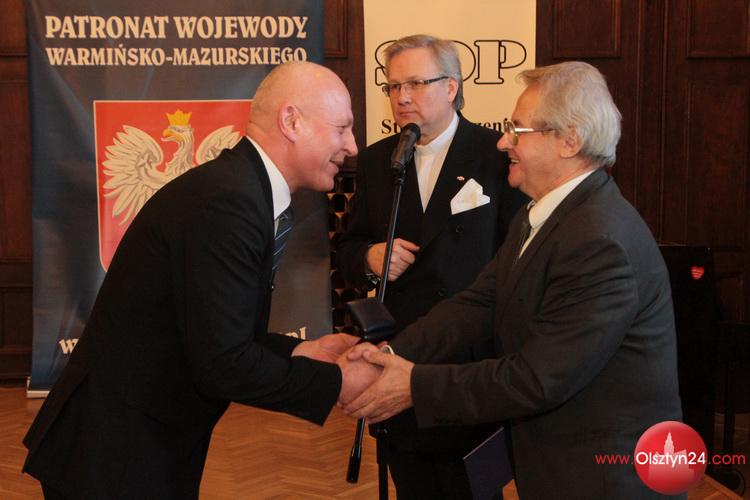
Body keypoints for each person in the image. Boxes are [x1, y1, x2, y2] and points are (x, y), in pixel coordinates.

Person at [23, 61, 380, 500]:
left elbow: (215, 334)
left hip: (137, 444)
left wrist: (302, 351)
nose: (353, 146)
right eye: (342, 128)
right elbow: (223, 364)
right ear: (291, 122)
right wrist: (338, 383)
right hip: (112, 454)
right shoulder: (228, 203)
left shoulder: (238, 189)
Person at [343, 61, 684, 499]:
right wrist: (389, 353)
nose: (504, 142)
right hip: (557, 465)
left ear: (569, 140)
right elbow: (479, 303)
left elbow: (536, 378)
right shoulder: (539, 215)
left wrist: (413, 385)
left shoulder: (600, 242)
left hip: (605, 478)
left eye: (517, 131)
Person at [335, 34, 526, 498]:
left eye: (416, 84)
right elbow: (345, 249)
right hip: (400, 353)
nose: (402, 97)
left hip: (469, 365)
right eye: (393, 86)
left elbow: (518, 254)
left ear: (451, 87)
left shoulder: (497, 154)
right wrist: (370, 257)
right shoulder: (378, 161)